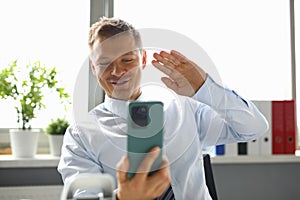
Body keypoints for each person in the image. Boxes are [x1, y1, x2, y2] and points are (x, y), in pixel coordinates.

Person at [58, 17, 268, 200]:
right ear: (93, 68)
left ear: (143, 59)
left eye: (127, 60)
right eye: (105, 63)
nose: (117, 71)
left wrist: (204, 87)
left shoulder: (184, 107)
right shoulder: (81, 135)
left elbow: (253, 127)